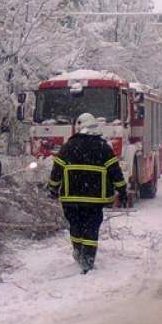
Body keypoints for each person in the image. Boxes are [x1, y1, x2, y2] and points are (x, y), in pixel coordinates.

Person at [48, 113, 127, 274]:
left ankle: (78, 252)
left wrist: (53, 189)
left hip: (71, 198)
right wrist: (123, 190)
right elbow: (115, 172)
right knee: (91, 228)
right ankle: (88, 260)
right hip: (95, 199)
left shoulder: (69, 147)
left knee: (75, 226)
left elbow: (56, 171)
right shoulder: (104, 147)